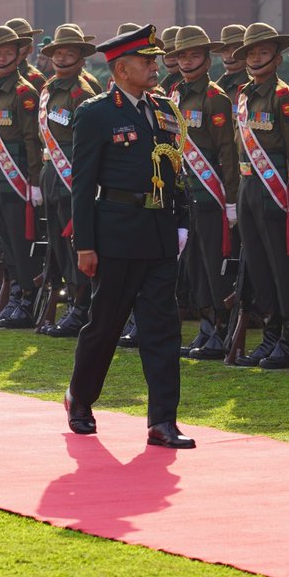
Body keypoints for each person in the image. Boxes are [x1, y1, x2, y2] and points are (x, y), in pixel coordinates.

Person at [65, 23, 194, 448]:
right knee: (105, 324)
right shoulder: (96, 113)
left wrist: (181, 224)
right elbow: (82, 185)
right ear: (121, 70)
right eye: (146, 61)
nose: (154, 67)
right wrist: (85, 244)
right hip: (116, 231)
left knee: (162, 328)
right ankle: (80, 399)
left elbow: (177, 172)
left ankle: (163, 421)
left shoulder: (163, 110)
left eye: (155, 60)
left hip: (157, 230)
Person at [231, 23, 289, 369]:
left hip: (275, 188)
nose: (256, 58)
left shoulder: (284, 98)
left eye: (263, 52)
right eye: (251, 52)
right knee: (259, 266)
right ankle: (271, 332)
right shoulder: (246, 93)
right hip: (249, 185)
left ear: (277, 58)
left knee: (282, 266)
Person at [170, 25, 238, 359]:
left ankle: (223, 329)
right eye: (182, 55)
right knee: (195, 266)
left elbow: (227, 152)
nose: (187, 60)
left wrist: (232, 199)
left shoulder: (215, 98)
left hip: (212, 195)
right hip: (187, 195)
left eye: (194, 54)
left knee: (215, 266)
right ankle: (206, 327)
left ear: (207, 58)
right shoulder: (176, 95)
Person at [37, 24, 100, 337]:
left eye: (69, 53)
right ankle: (71, 302)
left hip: (72, 176)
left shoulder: (82, 93)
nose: (62, 58)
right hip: (51, 174)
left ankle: (81, 305)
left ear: (81, 58)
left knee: (77, 243)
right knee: (58, 244)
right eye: (57, 52)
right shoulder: (50, 87)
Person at [0, 24, 43, 328]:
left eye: (8, 52)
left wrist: (34, 181)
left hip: (19, 179)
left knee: (21, 241)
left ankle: (27, 299)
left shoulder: (23, 92)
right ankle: (15, 295)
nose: (2, 58)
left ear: (18, 55)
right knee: (7, 240)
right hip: (0, 178)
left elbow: (33, 140)